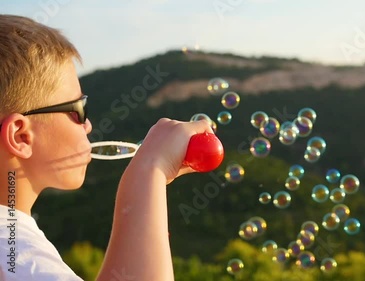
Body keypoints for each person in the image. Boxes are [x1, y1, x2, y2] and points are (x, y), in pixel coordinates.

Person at [0, 14, 212, 280]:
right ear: (21, 137)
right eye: (78, 109)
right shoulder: (19, 258)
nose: (87, 125)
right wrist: (149, 172)